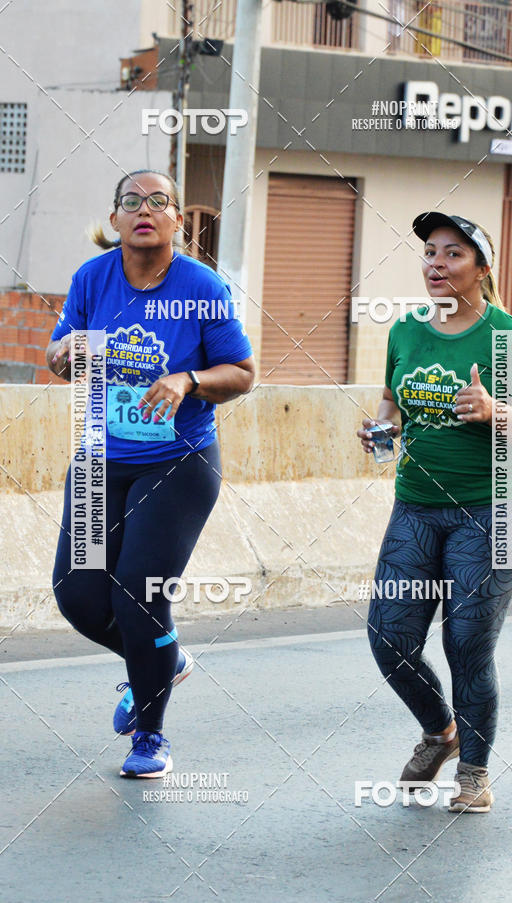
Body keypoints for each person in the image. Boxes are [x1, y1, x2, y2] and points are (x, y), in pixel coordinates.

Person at [47, 169, 255, 778]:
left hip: (178, 464)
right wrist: (62, 356)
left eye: (158, 201)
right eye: (131, 202)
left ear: (176, 221)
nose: (145, 210)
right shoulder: (92, 278)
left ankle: (151, 735)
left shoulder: (202, 286)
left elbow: (241, 373)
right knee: (79, 596)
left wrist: (188, 379)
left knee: (138, 596)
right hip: (98, 461)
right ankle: (166, 658)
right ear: (114, 220)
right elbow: (63, 352)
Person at [357, 212, 512, 813]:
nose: (436, 265)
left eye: (453, 255)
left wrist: (497, 412)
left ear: (481, 269)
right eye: (430, 254)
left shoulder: (510, 338)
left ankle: (473, 772)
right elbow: (394, 404)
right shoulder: (406, 331)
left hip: (494, 509)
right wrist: (381, 430)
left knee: (467, 643)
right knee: (389, 638)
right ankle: (439, 730)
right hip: (416, 505)